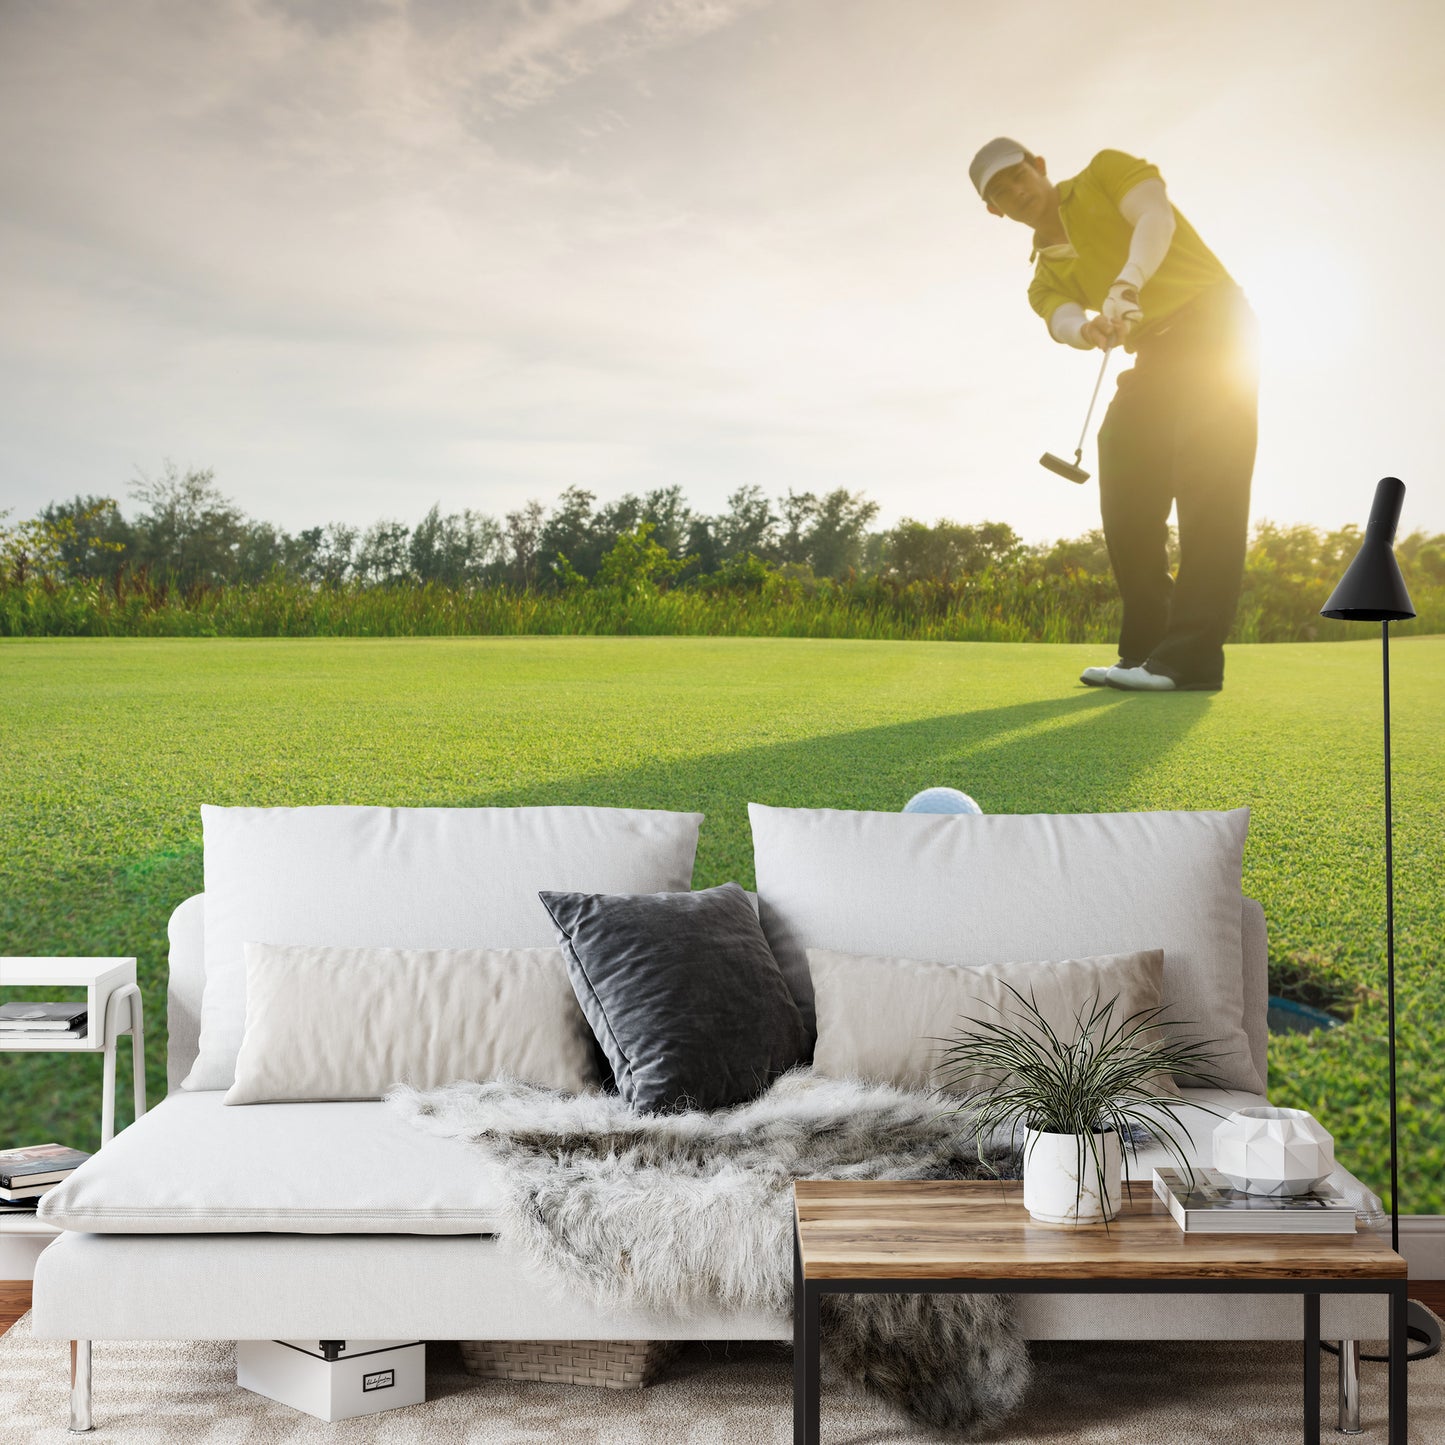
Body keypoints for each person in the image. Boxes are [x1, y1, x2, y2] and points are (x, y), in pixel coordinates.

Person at [969, 138, 1260, 692]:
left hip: (1216, 326)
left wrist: (1127, 282)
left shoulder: (1105, 171)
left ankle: (1192, 659)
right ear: (994, 210)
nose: (1015, 192)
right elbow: (1061, 320)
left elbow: (1154, 215)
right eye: (1000, 192)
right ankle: (1147, 649)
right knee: (1123, 471)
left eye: (1017, 176)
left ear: (1039, 167)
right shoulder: (1043, 276)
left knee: (1208, 486)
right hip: (1153, 351)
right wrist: (1090, 329)